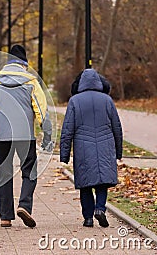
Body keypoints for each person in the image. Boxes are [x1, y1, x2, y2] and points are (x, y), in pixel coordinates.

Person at [0, 45, 52, 228]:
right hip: (25, 135)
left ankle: (5, 217)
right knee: (29, 171)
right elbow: (41, 110)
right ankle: (24, 206)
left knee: (5, 173)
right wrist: (47, 134)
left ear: (8, 63)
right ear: (24, 64)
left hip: (2, 136)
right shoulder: (31, 81)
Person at [60, 68, 123, 228]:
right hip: (105, 146)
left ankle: (88, 218)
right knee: (103, 182)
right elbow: (117, 127)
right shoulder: (107, 100)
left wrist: (64, 155)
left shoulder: (75, 101)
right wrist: (118, 150)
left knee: (85, 184)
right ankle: (100, 209)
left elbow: (67, 130)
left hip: (83, 148)